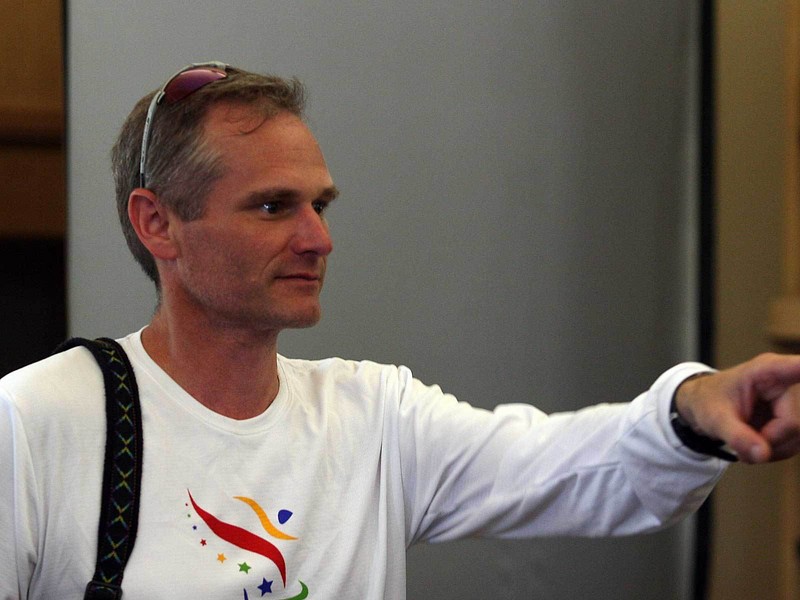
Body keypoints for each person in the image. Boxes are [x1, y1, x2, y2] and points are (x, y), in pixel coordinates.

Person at [2, 62, 799, 600]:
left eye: (321, 205)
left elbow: (571, 466)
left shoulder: (371, 418)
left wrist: (694, 409)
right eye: (274, 206)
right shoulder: (37, 420)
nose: (318, 239)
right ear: (158, 224)